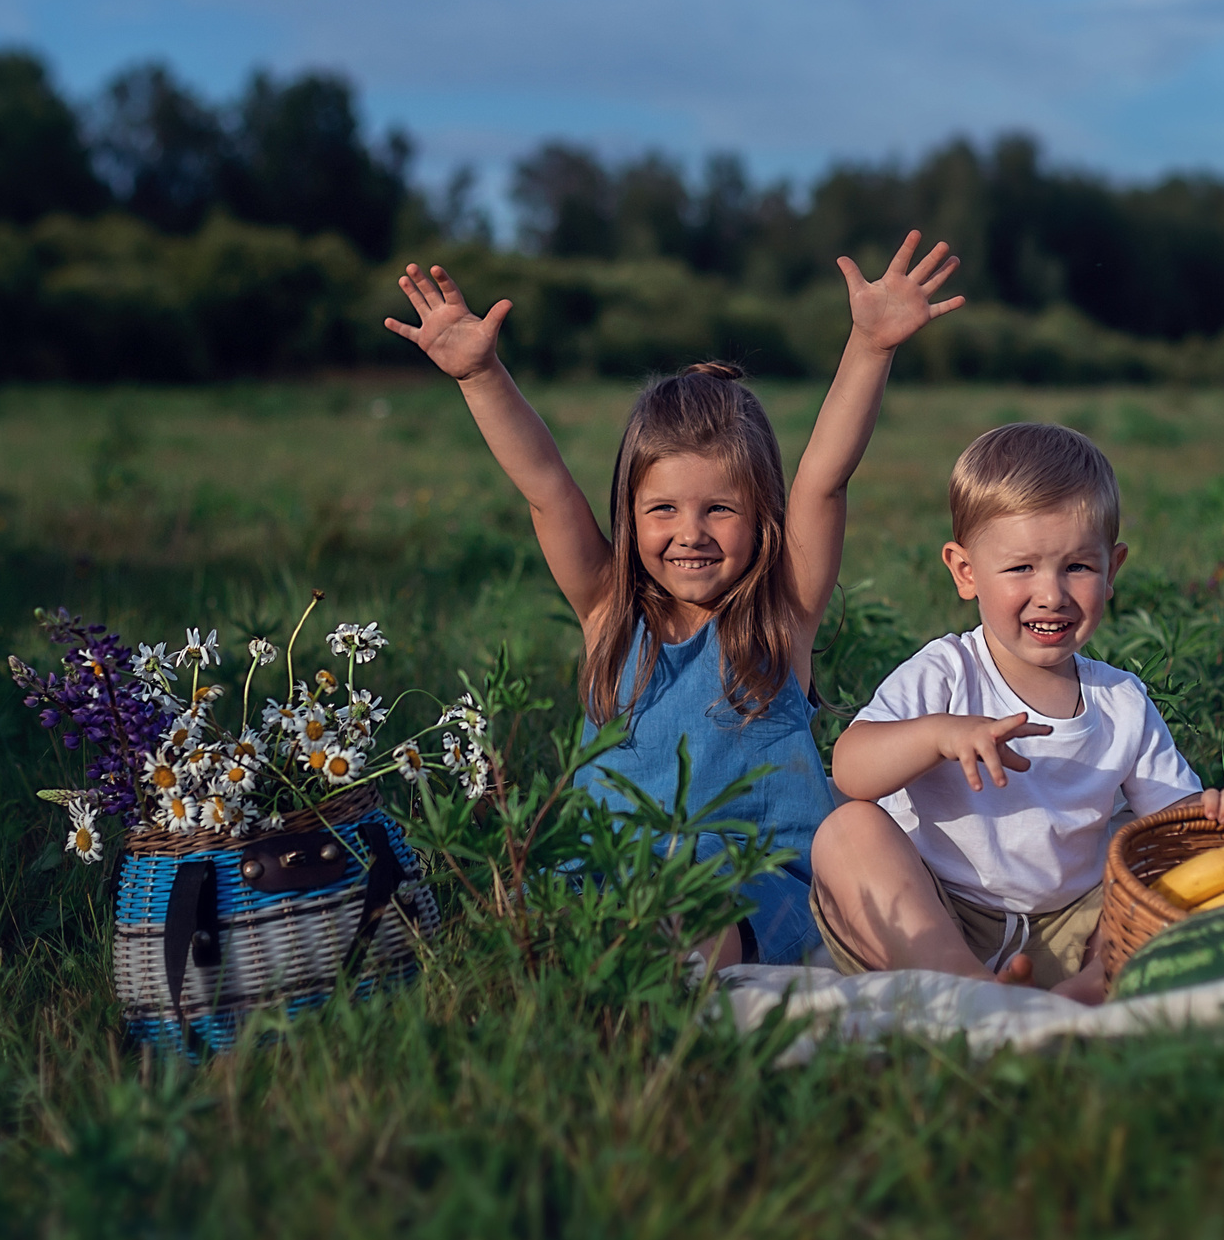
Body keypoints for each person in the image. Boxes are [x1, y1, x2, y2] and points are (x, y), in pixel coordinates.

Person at [384, 233, 967, 967]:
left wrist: (870, 347)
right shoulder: (609, 611)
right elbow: (545, 487)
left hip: (746, 879)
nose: (689, 534)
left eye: (720, 509)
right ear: (631, 514)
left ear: (763, 517)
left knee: (693, 941)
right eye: (662, 510)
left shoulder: (781, 616)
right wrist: (479, 375)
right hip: (609, 870)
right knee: (562, 941)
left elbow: (824, 476)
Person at [810, 423, 1224, 1004]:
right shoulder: (947, 672)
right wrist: (938, 735)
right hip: (935, 913)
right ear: (966, 572)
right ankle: (964, 985)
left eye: (1077, 567)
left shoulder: (1119, 702)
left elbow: (1167, 817)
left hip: (1071, 924)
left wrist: (1214, 812)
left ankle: (1088, 986)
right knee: (847, 830)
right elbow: (850, 767)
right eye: (1021, 568)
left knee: (1152, 861)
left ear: (1112, 569)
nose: (1051, 593)